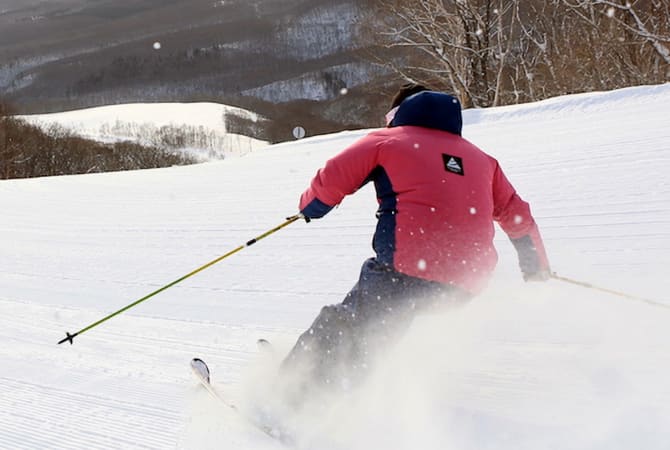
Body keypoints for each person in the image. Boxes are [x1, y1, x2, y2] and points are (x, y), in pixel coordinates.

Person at [277, 87, 551, 409]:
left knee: (346, 325)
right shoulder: (482, 160)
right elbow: (518, 215)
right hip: (467, 282)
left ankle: (289, 400)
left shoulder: (386, 140)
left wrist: (310, 208)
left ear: (396, 115)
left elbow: (331, 179)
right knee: (385, 327)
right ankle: (341, 392)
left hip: (406, 269)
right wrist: (535, 266)